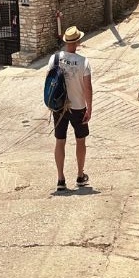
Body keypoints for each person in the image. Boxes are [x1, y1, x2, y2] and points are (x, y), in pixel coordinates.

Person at [51, 25, 93, 191]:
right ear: (78, 42)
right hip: (78, 107)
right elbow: (88, 88)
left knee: (59, 141)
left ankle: (61, 179)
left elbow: (50, 81)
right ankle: (80, 176)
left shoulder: (54, 59)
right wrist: (89, 108)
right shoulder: (84, 62)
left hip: (59, 108)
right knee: (80, 141)